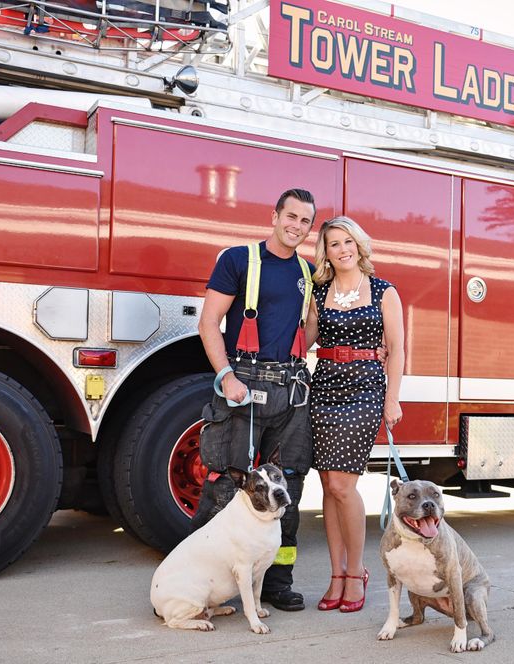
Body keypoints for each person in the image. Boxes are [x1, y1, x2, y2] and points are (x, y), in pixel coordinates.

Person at [191, 188, 317, 612]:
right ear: (275, 215)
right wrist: (226, 377)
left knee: (290, 488)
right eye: (291, 216)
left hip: (291, 391)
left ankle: (278, 582)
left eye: (305, 221)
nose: (297, 226)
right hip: (242, 386)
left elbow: (309, 328)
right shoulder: (237, 260)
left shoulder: (309, 271)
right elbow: (209, 323)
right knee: (226, 484)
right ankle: (197, 576)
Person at [305, 216, 404, 613]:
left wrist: (392, 398)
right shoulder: (319, 291)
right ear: (325, 253)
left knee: (344, 486)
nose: (342, 249)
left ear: (359, 246)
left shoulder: (384, 291)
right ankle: (336, 574)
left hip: (364, 389)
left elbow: (396, 349)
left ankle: (357, 570)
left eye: (348, 241)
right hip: (324, 386)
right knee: (328, 486)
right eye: (333, 244)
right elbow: (306, 338)